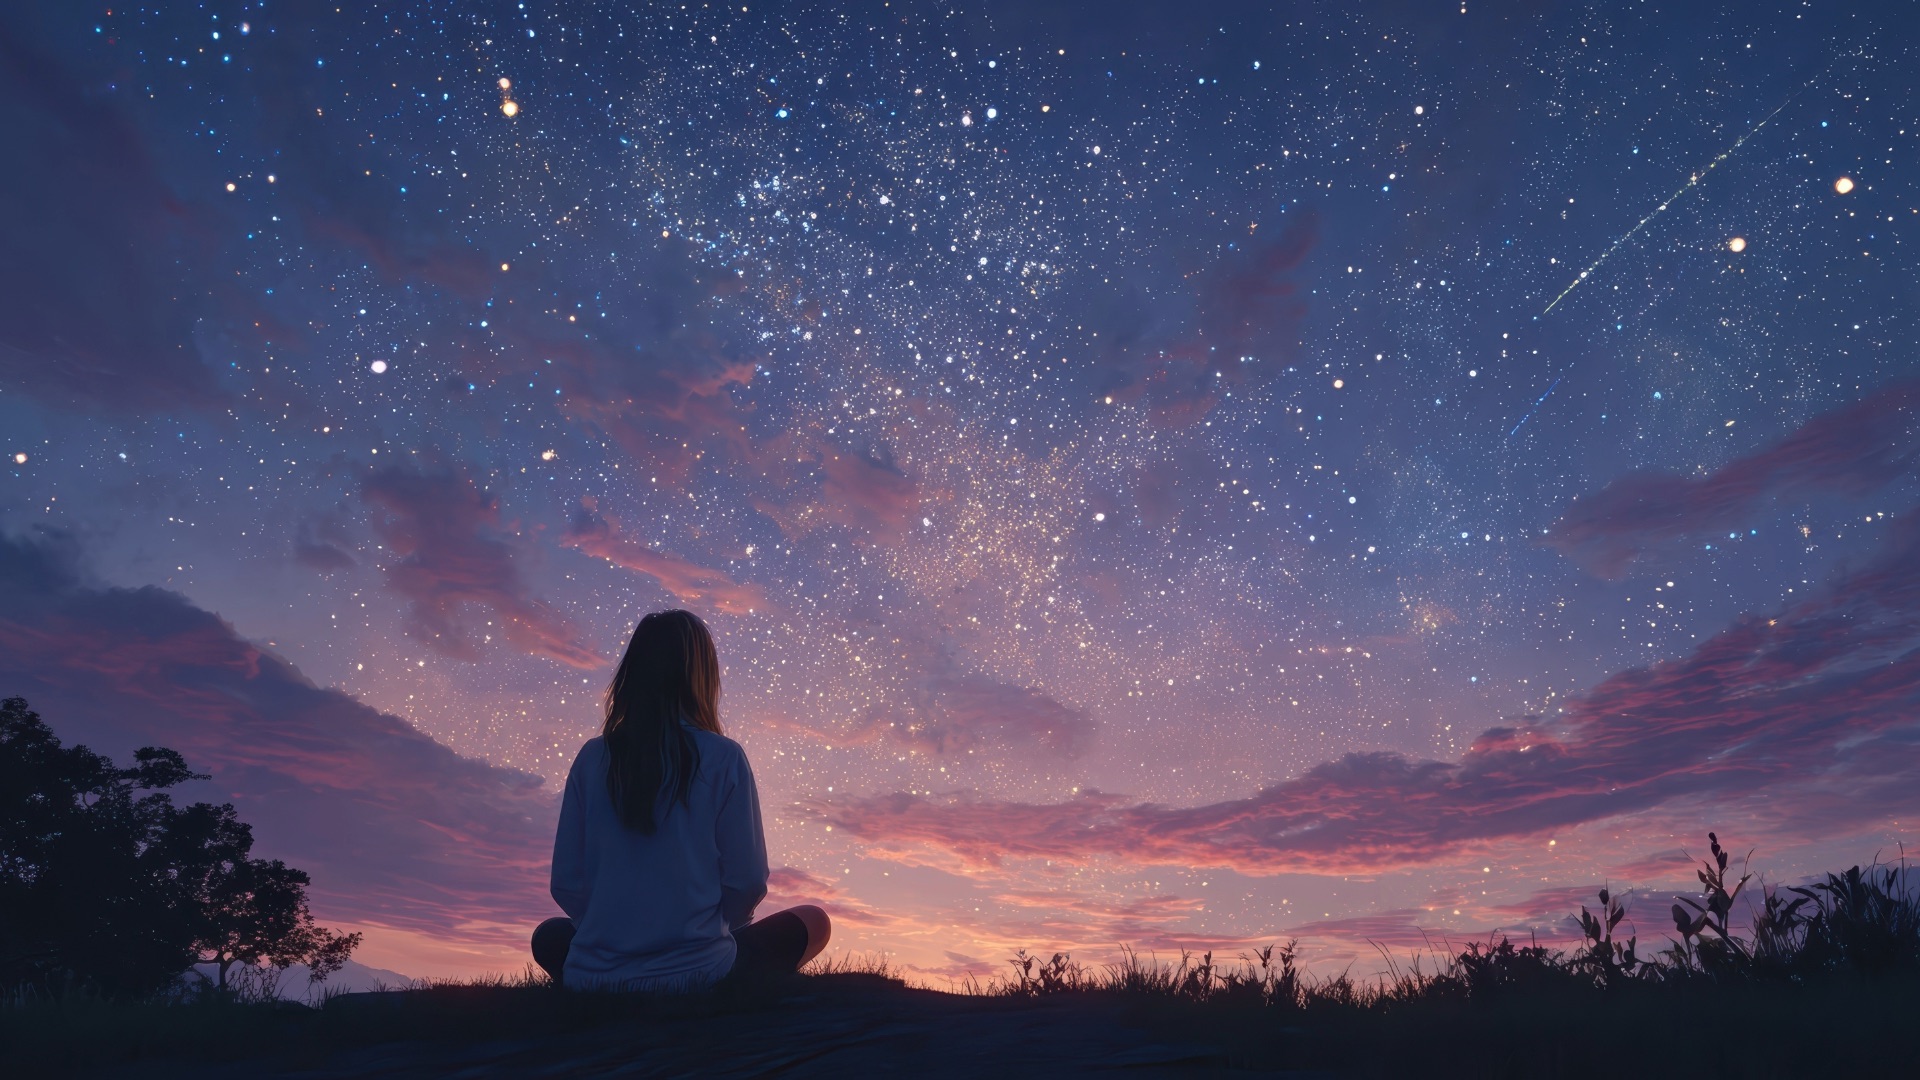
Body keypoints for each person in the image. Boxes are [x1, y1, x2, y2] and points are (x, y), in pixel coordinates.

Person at [532, 609, 829, 990]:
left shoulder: (592, 757)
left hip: (596, 976)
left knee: (550, 934)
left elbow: (567, 883)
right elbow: (748, 881)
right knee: (815, 921)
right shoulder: (723, 756)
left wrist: (620, 932)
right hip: (700, 974)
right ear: (701, 676)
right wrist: (707, 928)